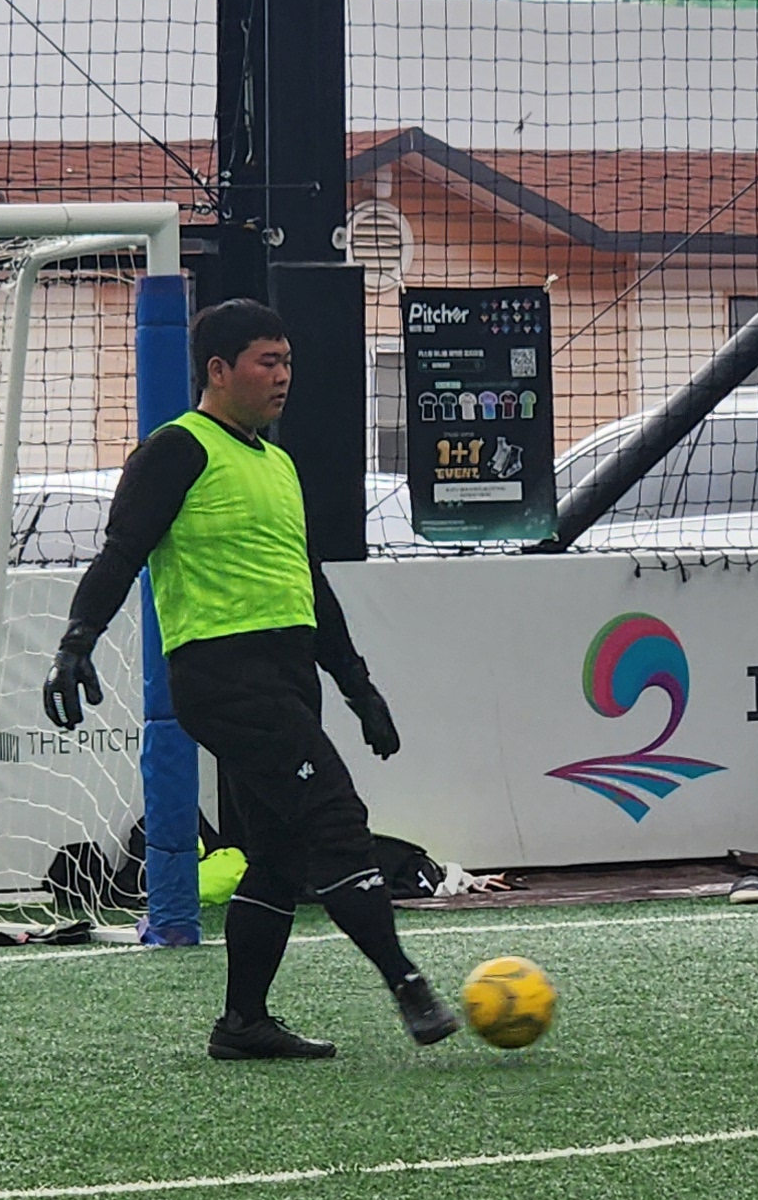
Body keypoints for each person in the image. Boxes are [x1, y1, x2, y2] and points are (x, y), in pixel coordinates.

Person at [44, 299, 460, 1060]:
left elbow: (308, 584)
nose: (283, 376)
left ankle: (242, 1024)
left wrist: (359, 688)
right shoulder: (177, 449)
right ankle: (407, 985)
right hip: (223, 676)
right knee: (336, 817)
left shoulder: (278, 463)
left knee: (278, 853)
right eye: (268, 362)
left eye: (288, 362)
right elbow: (121, 552)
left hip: (288, 677)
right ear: (218, 370)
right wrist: (77, 642)